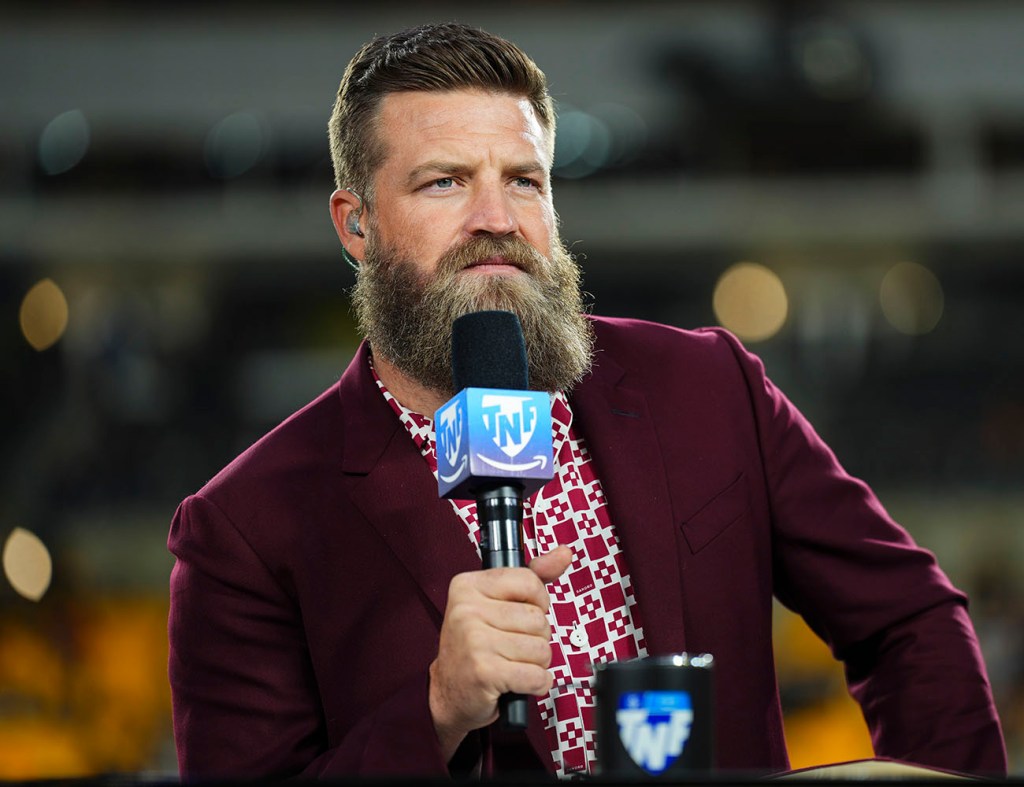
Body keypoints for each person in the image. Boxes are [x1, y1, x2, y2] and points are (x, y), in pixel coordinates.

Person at [167, 22, 1007, 780]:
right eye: (445, 183)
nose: (496, 217)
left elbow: (911, 619)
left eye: (525, 180)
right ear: (356, 226)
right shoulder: (243, 529)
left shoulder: (709, 387)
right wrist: (435, 712)